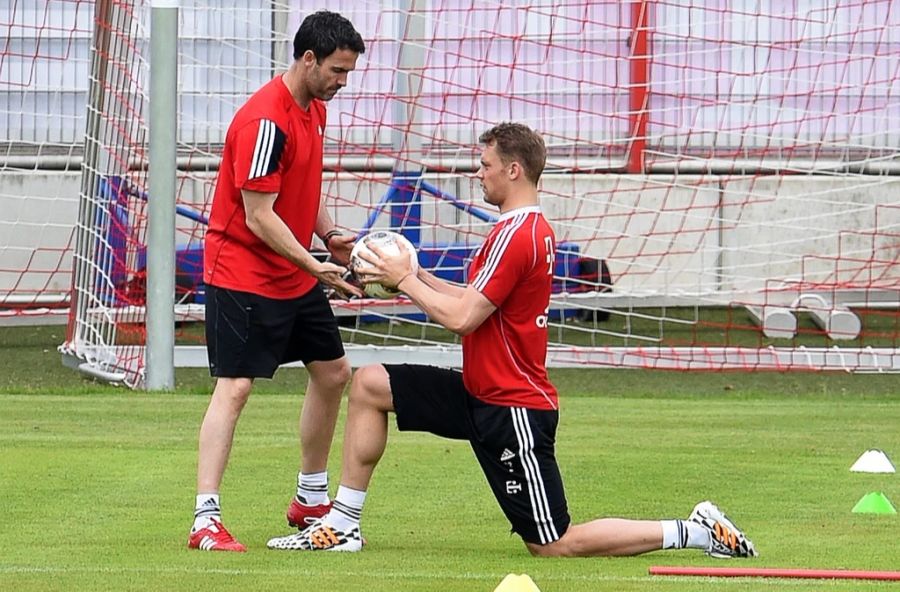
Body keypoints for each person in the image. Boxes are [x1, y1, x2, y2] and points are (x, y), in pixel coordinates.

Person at [265, 122, 758, 558]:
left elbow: (462, 318)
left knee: (554, 544)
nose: (479, 173)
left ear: (514, 170)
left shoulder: (518, 235)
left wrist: (406, 279)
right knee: (371, 384)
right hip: (482, 392)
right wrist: (412, 273)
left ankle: (695, 532)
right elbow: (475, 298)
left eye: (486, 165)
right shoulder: (520, 230)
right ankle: (342, 523)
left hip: (512, 409)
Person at [188, 11, 366, 552]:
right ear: (307, 59)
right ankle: (204, 521)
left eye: (349, 72)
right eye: (337, 70)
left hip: (292, 272)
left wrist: (330, 234)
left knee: (334, 374)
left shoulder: (314, 110)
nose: (343, 81)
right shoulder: (266, 120)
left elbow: (300, 193)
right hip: (242, 273)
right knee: (236, 388)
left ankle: (311, 497)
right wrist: (315, 265)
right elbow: (260, 213)